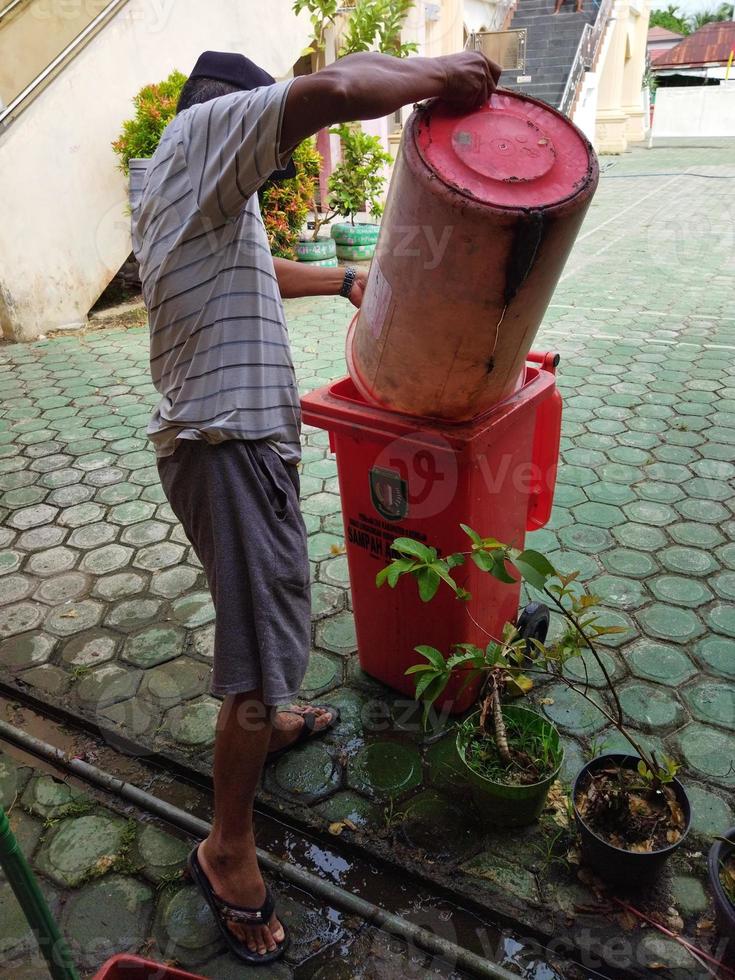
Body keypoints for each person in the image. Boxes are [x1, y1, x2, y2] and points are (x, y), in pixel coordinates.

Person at [133, 46, 501, 966]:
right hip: (229, 442)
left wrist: (339, 279)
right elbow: (337, 88)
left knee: (270, 620)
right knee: (257, 659)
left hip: (234, 437)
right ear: (240, 109)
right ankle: (226, 850)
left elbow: (246, 270)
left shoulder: (193, 184)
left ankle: (276, 716)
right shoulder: (203, 131)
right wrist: (440, 80)